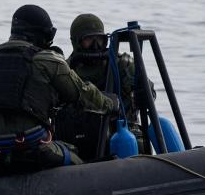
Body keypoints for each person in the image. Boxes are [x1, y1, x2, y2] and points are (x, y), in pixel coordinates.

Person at [0, 4, 118, 177]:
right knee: (78, 161)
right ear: (43, 36)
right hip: (35, 151)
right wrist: (112, 103)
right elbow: (85, 96)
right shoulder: (48, 61)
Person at [58, 13, 155, 160]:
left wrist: (144, 95)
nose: (96, 45)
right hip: (80, 136)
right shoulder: (66, 70)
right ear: (76, 42)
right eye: (89, 40)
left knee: (139, 145)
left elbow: (148, 89)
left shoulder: (121, 64)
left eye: (100, 40)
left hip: (121, 131)